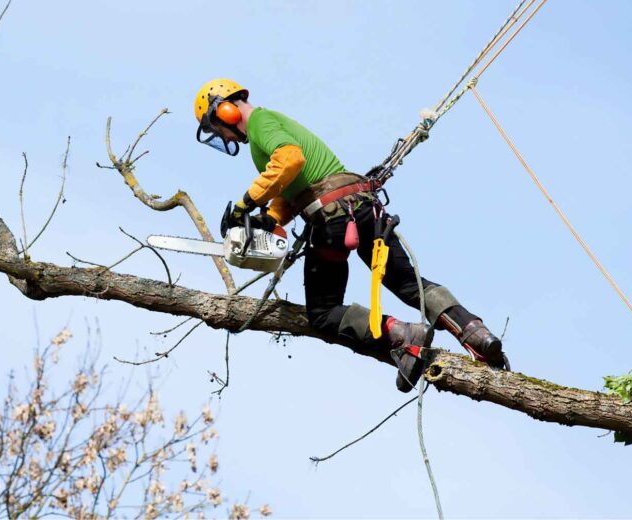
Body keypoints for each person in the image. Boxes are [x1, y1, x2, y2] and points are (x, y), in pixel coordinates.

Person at [194, 78, 508, 392]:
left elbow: (290, 160)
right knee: (406, 282)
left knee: (323, 312)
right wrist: (271, 217)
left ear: (224, 110)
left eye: (215, 127)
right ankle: (476, 332)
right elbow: (292, 186)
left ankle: (401, 335)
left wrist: (245, 204)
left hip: (333, 220)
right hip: (361, 210)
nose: (221, 135)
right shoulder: (269, 129)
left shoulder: (261, 121)